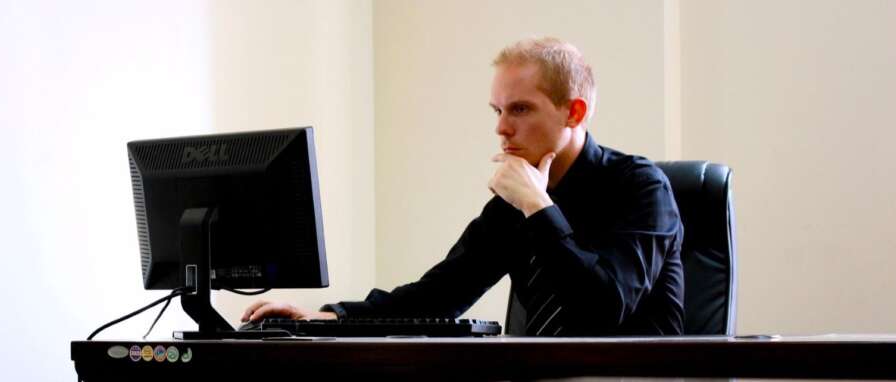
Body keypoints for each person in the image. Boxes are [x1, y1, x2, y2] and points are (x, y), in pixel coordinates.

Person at [242, 37, 685, 336]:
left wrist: (537, 205)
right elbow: (438, 297)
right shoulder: (515, 200)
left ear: (573, 112)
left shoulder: (642, 188)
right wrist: (328, 317)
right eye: (497, 110)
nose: (502, 129)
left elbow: (604, 308)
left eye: (520, 109)